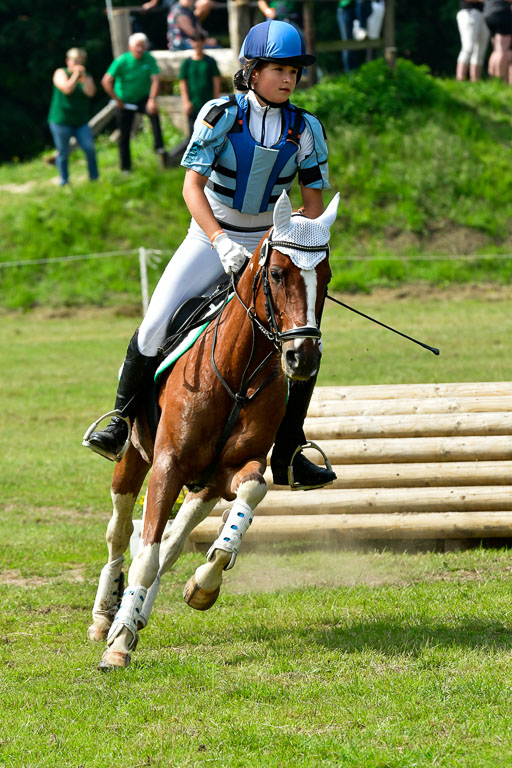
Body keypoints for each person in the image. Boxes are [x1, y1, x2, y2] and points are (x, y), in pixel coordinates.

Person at [86, 20, 337, 490]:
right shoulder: (220, 113)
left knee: (304, 340)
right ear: (253, 71)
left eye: (294, 71)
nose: (288, 79)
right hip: (208, 238)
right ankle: (119, 421)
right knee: (156, 322)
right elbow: (191, 187)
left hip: (269, 245)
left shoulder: (307, 128)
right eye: (279, 69)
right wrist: (220, 240)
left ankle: (289, 451)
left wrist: (293, 251)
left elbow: (313, 205)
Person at [101, 33, 168, 172]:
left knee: (153, 112)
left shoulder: (148, 59)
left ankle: (159, 147)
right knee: (124, 134)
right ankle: (125, 167)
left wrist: (152, 100)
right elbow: (106, 81)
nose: (140, 49)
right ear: (130, 47)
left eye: (142, 46)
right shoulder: (122, 61)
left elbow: (155, 80)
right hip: (124, 101)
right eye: (137, 46)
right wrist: (117, 100)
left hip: (143, 98)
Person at [48, 48, 99, 186]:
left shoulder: (87, 76)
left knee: (89, 148)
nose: (78, 65)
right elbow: (67, 89)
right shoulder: (60, 73)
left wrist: (84, 78)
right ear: (68, 61)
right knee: (63, 152)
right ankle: (64, 181)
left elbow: (90, 93)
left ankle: (94, 179)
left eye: (81, 62)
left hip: (81, 122)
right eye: (75, 61)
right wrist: (76, 76)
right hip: (61, 120)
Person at [179, 33, 221, 137]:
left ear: (204, 43)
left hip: (208, 103)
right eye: (195, 41)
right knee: (192, 134)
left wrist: (216, 101)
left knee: (209, 133)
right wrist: (186, 102)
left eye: (200, 41)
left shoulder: (210, 61)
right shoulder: (187, 62)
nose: (197, 44)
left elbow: (216, 80)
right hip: (193, 103)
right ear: (191, 43)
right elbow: (183, 82)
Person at [456, 1, 491, 81]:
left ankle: (475, 81)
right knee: (468, 48)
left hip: (485, 15)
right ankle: (460, 79)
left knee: (480, 51)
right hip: (469, 12)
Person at [337, 0, 372, 73]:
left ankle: (361, 71)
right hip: (345, 8)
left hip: (360, 8)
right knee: (347, 43)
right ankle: (350, 73)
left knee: (364, 42)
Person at [484, 0, 512, 81]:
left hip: (488, 13)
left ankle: (493, 79)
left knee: (497, 50)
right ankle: (499, 81)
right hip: (500, 12)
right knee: (502, 51)